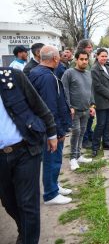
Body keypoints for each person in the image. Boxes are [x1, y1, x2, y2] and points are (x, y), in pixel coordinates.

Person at [0, 67, 57, 244]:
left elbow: (38, 104)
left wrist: (52, 132)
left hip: (25, 149)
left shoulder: (12, 77)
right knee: (8, 202)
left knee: (27, 203)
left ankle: (27, 239)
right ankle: (23, 229)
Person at [28, 46, 72, 205]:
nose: (60, 59)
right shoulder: (46, 77)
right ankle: (50, 194)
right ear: (54, 58)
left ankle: (54, 185)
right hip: (49, 128)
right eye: (59, 56)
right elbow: (50, 107)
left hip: (45, 126)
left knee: (53, 159)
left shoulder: (37, 72)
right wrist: (57, 131)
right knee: (52, 160)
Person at [62, 49, 95, 171]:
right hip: (74, 110)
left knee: (82, 132)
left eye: (86, 59)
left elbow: (91, 91)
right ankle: (72, 159)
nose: (84, 61)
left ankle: (79, 154)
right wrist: (69, 106)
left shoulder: (88, 73)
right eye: (81, 59)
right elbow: (64, 91)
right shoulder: (69, 73)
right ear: (76, 59)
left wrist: (92, 106)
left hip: (86, 109)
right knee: (75, 133)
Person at [91, 48, 109, 157]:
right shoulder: (94, 69)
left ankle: (107, 143)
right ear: (97, 56)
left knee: (108, 123)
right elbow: (98, 86)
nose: (104, 58)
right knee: (101, 124)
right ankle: (95, 147)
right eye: (102, 56)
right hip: (102, 101)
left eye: (106, 56)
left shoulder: (107, 68)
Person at [70, 40, 95, 149]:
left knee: (89, 120)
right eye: (89, 47)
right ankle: (83, 142)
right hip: (78, 100)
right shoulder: (74, 64)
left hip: (88, 96)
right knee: (80, 127)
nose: (91, 49)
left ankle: (88, 137)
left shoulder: (90, 60)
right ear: (83, 48)